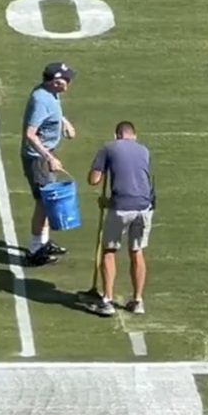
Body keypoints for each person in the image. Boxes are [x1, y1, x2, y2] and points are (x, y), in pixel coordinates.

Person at [86, 121, 155, 316]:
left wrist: (105, 200)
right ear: (134, 135)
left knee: (109, 250)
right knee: (136, 250)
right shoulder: (144, 150)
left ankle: (107, 300)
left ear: (117, 134)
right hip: (144, 206)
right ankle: (138, 300)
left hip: (121, 207)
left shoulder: (108, 147)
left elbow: (94, 180)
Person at [21, 62, 77, 267]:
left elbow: (54, 110)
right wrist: (49, 158)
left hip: (45, 155)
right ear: (55, 82)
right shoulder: (40, 99)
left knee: (47, 201)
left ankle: (43, 242)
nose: (68, 83)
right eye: (65, 80)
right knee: (44, 203)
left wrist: (64, 121)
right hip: (38, 159)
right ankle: (35, 250)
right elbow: (30, 134)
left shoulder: (49, 92)